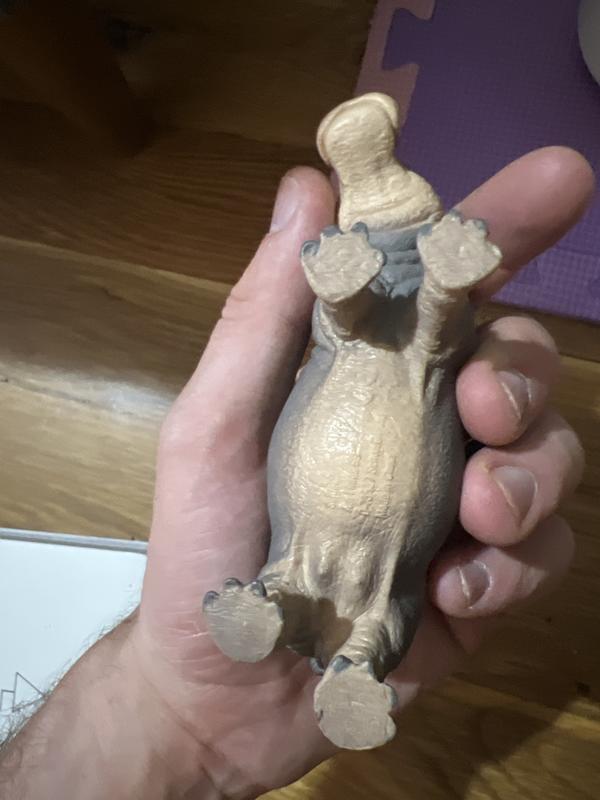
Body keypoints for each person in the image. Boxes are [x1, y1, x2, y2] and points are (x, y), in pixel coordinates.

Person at [0, 147, 592, 799]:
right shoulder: (354, 324)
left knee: (373, 608)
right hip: (322, 542)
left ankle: (332, 655)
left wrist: (162, 716)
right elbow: (348, 324)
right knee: (343, 598)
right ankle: (307, 632)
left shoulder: (431, 336)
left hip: (366, 552)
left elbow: (433, 335)